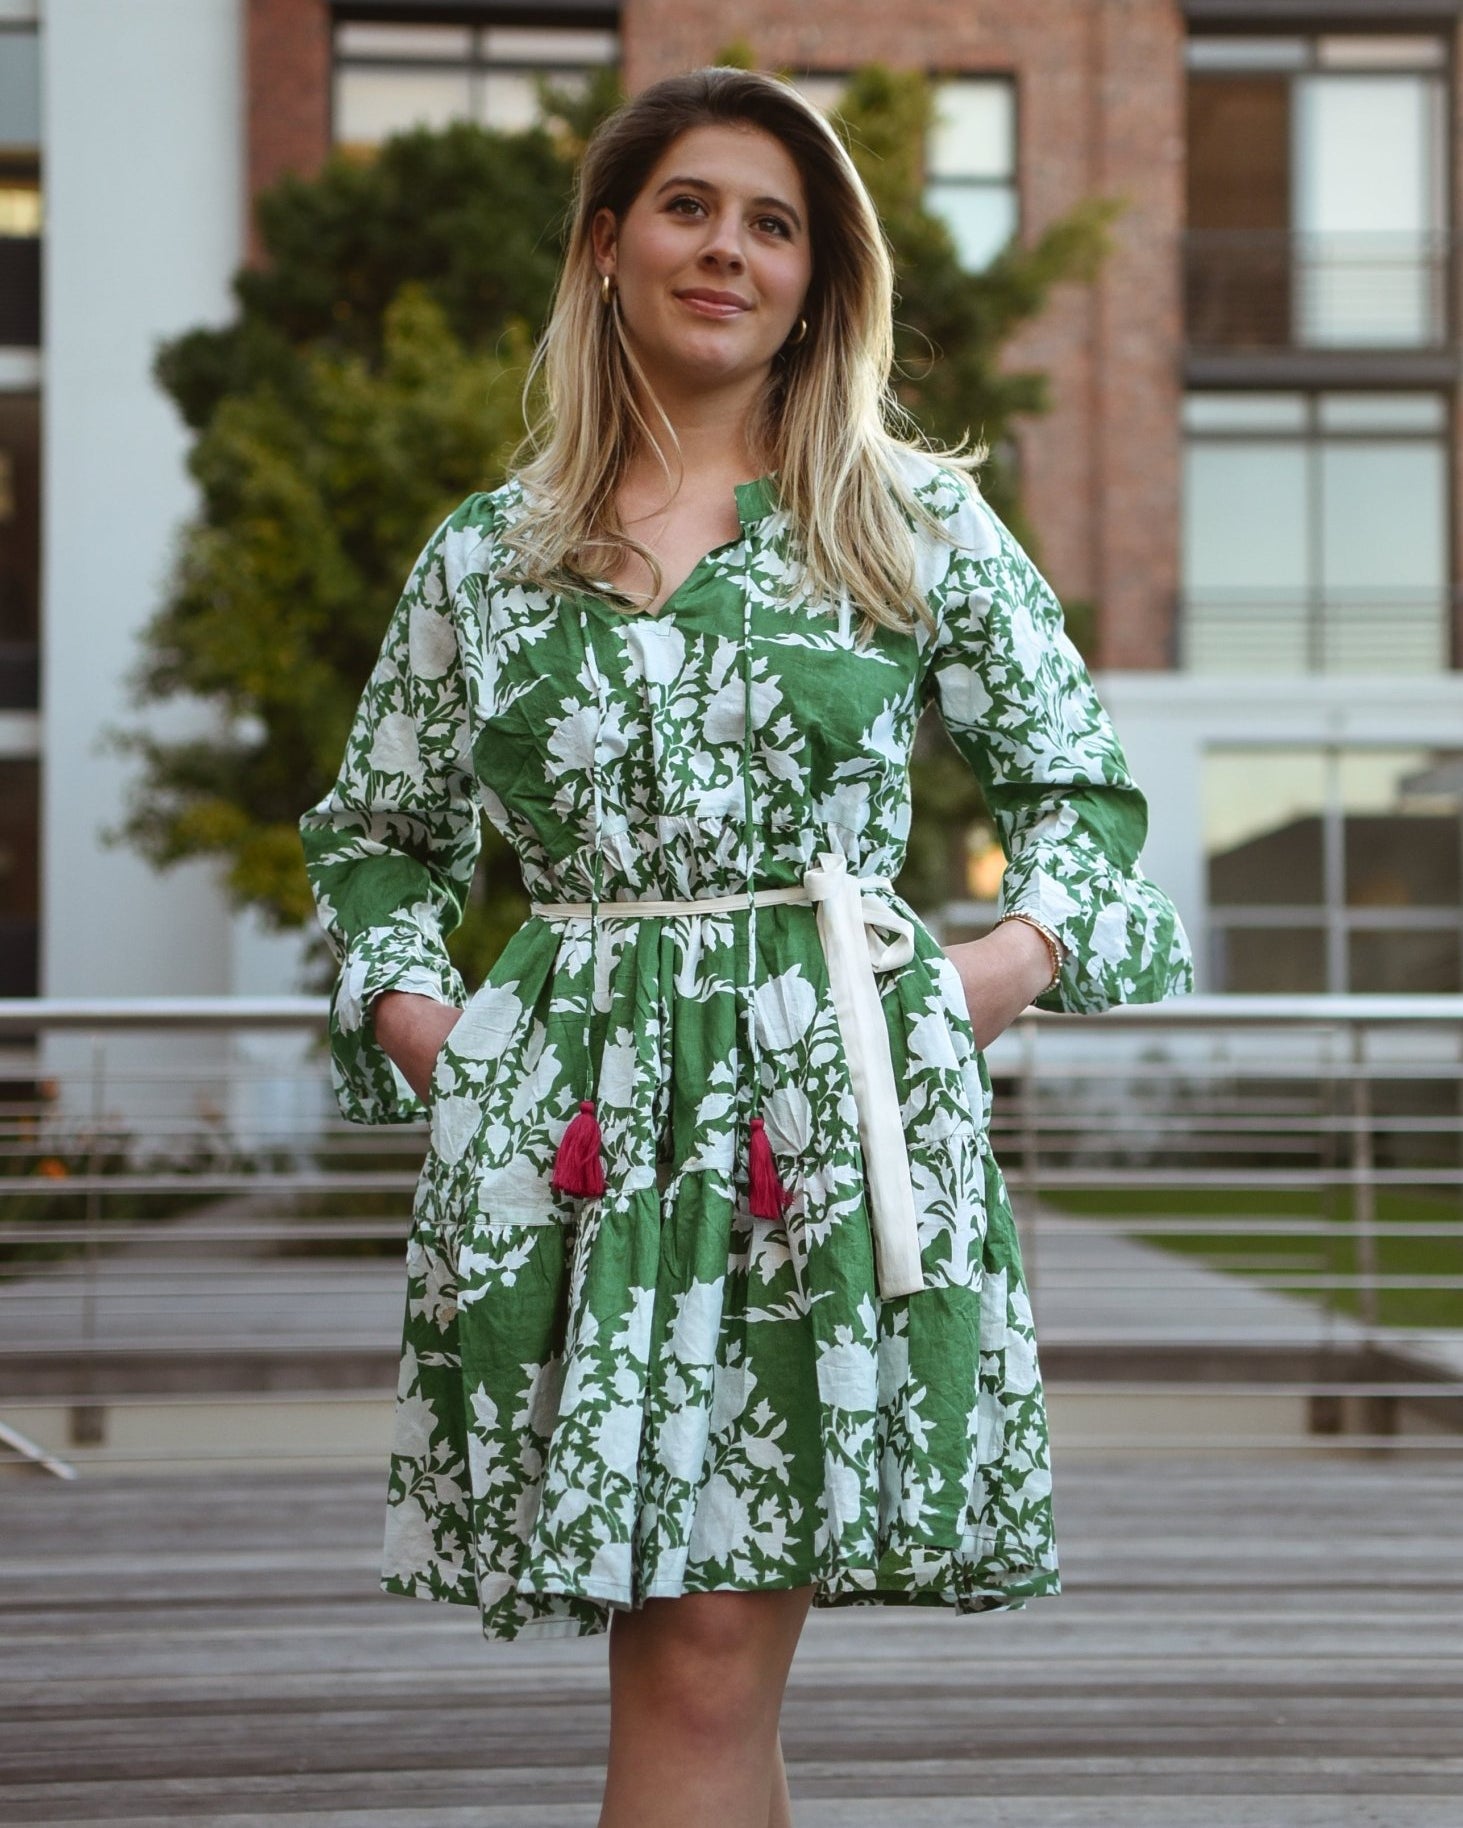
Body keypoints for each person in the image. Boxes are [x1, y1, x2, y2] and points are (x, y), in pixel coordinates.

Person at [298, 65, 1193, 1828]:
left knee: (704, 1654)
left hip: (819, 1123)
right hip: (572, 1144)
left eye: (774, 224)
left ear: (815, 278)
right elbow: (377, 835)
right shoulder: (488, 558)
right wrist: (423, 1021)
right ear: (607, 243)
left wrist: (979, 979)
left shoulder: (909, 521)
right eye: (691, 208)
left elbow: (1084, 799)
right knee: (696, 1660)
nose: (730, 249)